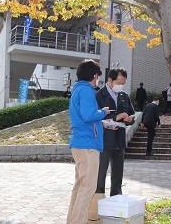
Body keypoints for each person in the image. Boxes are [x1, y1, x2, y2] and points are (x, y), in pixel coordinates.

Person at [66, 59, 109, 224]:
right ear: (94, 75)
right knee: (88, 187)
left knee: (79, 187)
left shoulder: (77, 89)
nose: (98, 79)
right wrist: (103, 112)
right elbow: (89, 115)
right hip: (88, 145)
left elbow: (84, 117)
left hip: (79, 143)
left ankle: (72, 221)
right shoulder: (87, 90)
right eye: (98, 75)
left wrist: (100, 121)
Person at [90, 68, 135, 218]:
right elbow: (94, 116)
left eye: (123, 83)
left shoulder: (124, 96)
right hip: (103, 141)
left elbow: (132, 113)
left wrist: (130, 119)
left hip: (119, 141)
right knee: (99, 176)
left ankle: (115, 210)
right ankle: (96, 211)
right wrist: (115, 118)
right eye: (119, 82)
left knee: (117, 177)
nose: (121, 86)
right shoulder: (98, 95)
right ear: (110, 80)